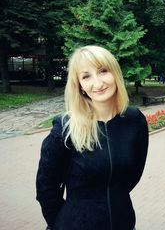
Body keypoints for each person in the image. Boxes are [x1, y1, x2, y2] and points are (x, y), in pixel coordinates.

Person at [36, 45, 149, 230]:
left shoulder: (134, 120)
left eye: (103, 71)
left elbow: (134, 174)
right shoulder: (65, 128)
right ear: (79, 85)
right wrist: (61, 223)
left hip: (125, 223)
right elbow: (46, 189)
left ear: (115, 73)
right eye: (86, 76)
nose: (97, 83)